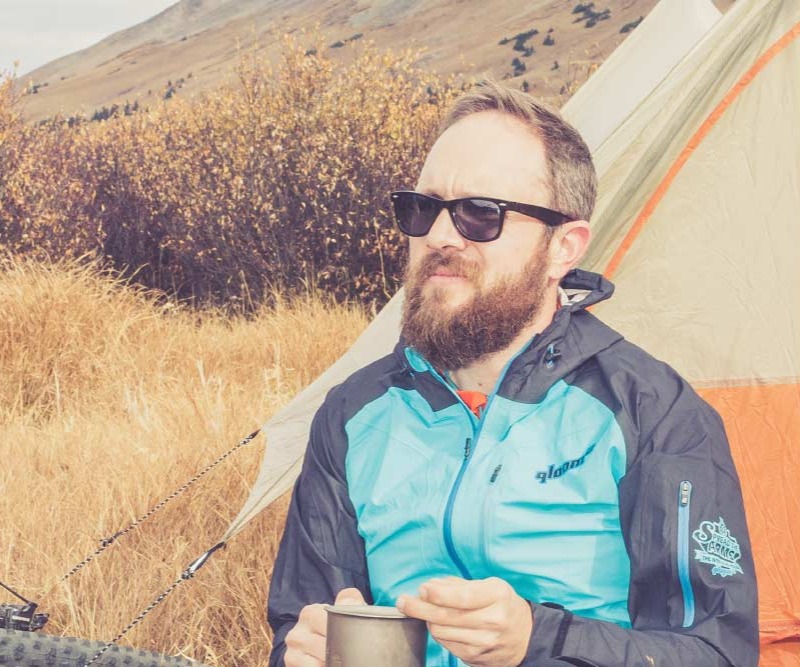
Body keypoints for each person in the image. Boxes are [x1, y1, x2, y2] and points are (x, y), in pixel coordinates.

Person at [267, 81, 758, 667]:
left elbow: (716, 652)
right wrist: (301, 651)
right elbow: (302, 620)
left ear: (563, 248)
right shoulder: (354, 413)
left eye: (481, 214)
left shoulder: (651, 411)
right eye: (422, 208)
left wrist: (540, 640)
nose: (439, 237)